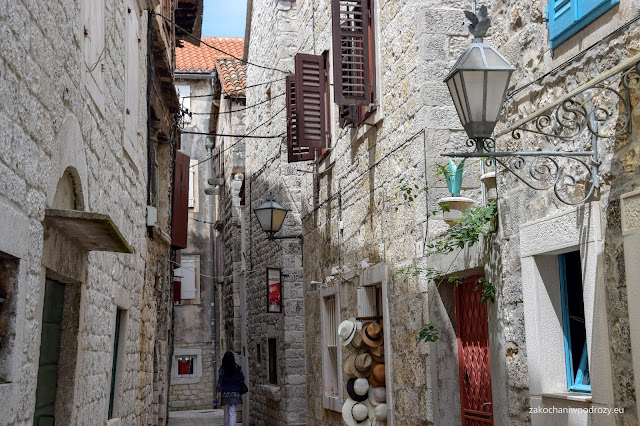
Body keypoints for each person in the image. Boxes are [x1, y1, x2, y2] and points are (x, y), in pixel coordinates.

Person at [217, 351, 244, 426]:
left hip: (225, 393)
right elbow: (242, 378)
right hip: (235, 392)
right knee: (233, 412)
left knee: (226, 412)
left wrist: (218, 393)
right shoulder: (237, 368)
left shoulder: (222, 369)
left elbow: (220, 382)